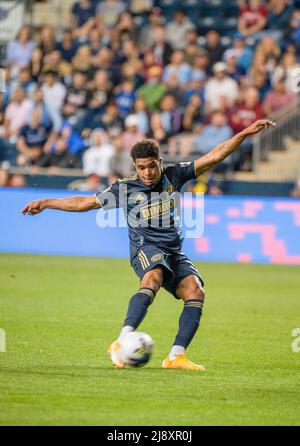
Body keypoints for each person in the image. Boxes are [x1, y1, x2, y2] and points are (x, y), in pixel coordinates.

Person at [22, 119, 276, 370]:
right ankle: (122, 340)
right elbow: (83, 203)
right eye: (141, 167)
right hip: (145, 248)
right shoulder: (125, 188)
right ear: (135, 166)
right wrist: (46, 202)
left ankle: (175, 357)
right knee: (153, 276)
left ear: (160, 162)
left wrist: (245, 132)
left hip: (173, 250)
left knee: (195, 291)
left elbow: (215, 155)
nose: (147, 173)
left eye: (151, 166)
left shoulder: (175, 175)